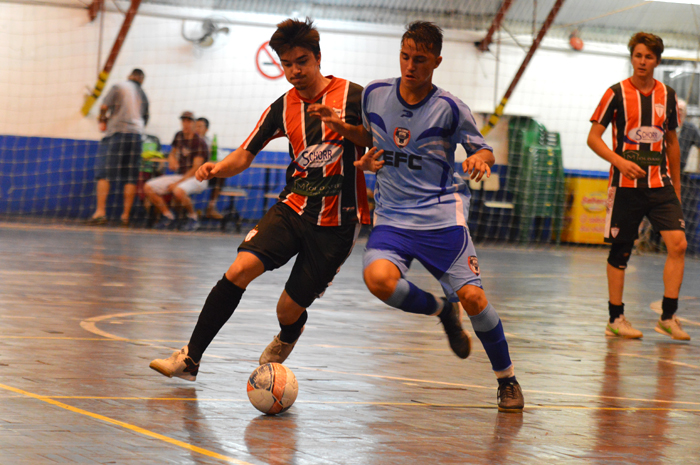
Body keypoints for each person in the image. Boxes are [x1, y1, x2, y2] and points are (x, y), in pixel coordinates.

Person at [307, 21, 524, 413]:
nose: (410, 66)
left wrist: (478, 157)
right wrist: (342, 129)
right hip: (392, 216)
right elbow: (368, 137)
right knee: (378, 280)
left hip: (442, 215)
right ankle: (443, 311)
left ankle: (506, 380)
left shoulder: (451, 107)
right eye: (405, 57)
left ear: (436, 61)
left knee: (474, 297)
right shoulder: (375, 93)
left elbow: (484, 150)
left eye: (420, 60)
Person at [149, 19, 371, 382]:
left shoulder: (356, 97)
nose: (295, 71)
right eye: (287, 64)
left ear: (317, 58)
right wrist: (216, 168)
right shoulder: (282, 107)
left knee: (287, 309)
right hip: (293, 207)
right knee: (238, 270)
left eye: (302, 61)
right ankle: (190, 359)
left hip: (338, 221)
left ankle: (288, 333)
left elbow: (377, 140)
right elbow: (245, 152)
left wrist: (349, 133)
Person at [588, 32, 689, 341]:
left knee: (679, 244)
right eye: (638, 55)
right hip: (625, 185)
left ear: (657, 60)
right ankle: (615, 318)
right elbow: (593, 138)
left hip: (660, 185)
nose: (642, 61)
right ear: (632, 57)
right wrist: (618, 161)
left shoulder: (667, 95)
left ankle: (668, 317)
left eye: (648, 56)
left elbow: (671, 142)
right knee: (621, 251)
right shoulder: (615, 93)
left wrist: (676, 185)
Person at [88, 68, 149, 226]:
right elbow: (146, 118)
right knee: (130, 177)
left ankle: (100, 213)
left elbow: (103, 107)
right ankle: (125, 216)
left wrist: (102, 121)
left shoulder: (119, 86)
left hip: (117, 134)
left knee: (104, 173)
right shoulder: (143, 95)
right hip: (136, 137)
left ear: (130, 75)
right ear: (141, 79)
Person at [143, 111, 208, 231]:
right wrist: (172, 159)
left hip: (198, 178)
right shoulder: (179, 135)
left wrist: (177, 184)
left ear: (194, 123)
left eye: (189, 121)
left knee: (178, 190)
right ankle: (168, 216)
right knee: (148, 187)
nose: (186, 124)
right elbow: (172, 153)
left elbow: (195, 169)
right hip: (181, 176)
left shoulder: (200, 142)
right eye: (183, 121)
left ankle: (193, 217)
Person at [194, 117, 224, 220]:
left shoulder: (209, 142)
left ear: (206, 129)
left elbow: (220, 156)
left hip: (204, 173)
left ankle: (211, 207)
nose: (197, 129)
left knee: (221, 175)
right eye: (195, 126)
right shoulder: (189, 140)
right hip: (190, 172)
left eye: (200, 126)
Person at [677, 99, 700, 225]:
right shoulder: (665, 126)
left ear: (685, 112)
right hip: (660, 173)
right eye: (677, 109)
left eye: (682, 110)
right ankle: (651, 240)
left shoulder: (690, 129)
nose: (679, 112)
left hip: (679, 174)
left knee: (681, 209)